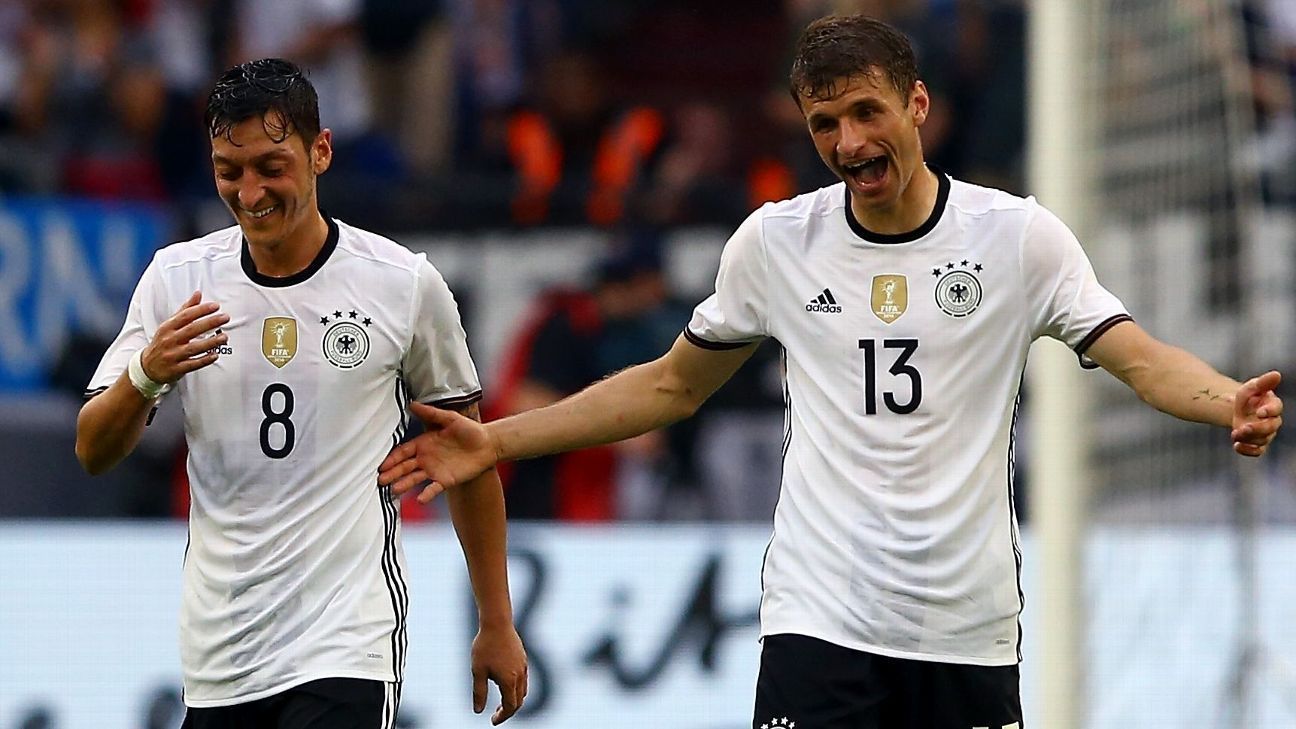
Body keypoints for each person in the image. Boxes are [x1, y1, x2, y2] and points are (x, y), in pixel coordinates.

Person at [377, 15, 1285, 729]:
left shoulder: (1016, 238)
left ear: (917, 104)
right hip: (821, 621)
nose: (848, 142)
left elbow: (1138, 357)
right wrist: (496, 436)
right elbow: (667, 386)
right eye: (824, 123)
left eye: (865, 113)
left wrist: (1224, 401)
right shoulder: (778, 242)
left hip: (966, 628)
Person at [74, 58, 526, 728]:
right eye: (230, 171)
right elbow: (92, 448)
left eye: (270, 167)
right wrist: (146, 372)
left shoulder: (402, 285)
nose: (250, 192)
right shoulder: (178, 280)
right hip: (220, 654)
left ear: (320, 151)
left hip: (346, 640)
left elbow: (470, 455)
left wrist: (496, 620)